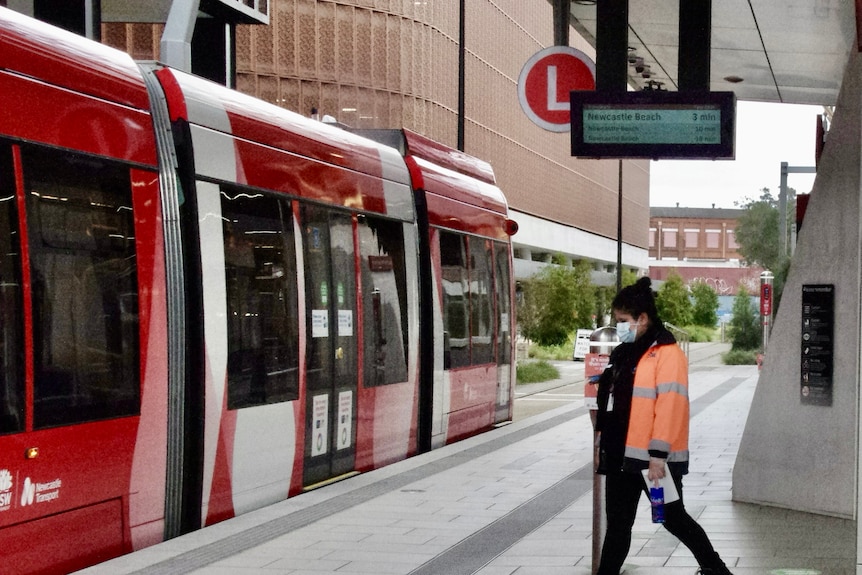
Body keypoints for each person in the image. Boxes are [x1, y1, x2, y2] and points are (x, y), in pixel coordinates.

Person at [594, 277, 732, 575]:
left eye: (623, 321)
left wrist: (658, 455)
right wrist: (600, 441)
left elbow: (670, 407)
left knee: (672, 518)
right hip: (620, 459)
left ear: (643, 319)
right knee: (618, 527)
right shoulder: (623, 353)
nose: (618, 327)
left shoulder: (668, 354)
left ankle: (717, 570)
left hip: (652, 463)